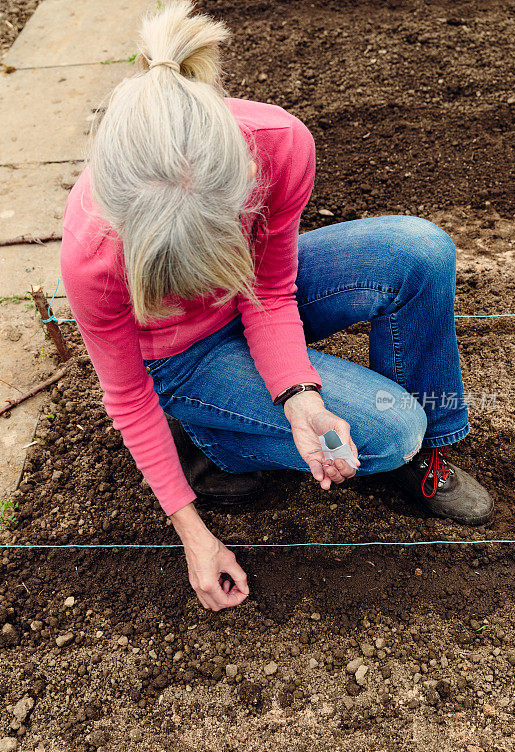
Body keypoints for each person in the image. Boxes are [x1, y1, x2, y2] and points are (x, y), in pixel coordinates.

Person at [60, 0, 493, 612]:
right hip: (182, 356)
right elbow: (128, 396)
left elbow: (269, 290)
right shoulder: (93, 253)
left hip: (254, 300)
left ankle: (428, 449)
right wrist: (195, 536)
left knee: (417, 252)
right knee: (390, 429)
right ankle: (216, 439)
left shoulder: (278, 145)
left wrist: (301, 396)